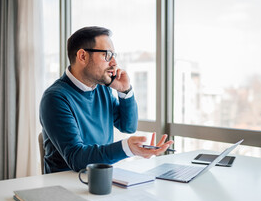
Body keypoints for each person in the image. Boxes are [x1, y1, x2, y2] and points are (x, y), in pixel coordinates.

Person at [40, 26, 173, 173]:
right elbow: (76, 158)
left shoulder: (102, 88)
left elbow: (128, 126)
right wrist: (127, 148)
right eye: (107, 55)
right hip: (66, 185)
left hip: (102, 177)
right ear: (82, 56)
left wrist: (125, 91)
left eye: (114, 55)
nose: (114, 63)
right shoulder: (55, 98)